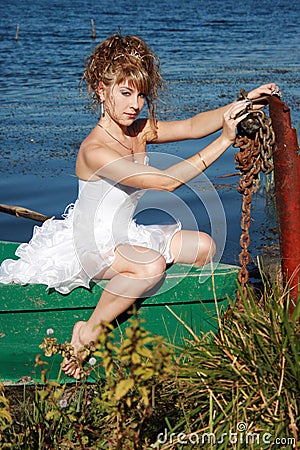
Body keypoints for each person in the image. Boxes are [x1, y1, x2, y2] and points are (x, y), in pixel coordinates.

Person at [0, 33, 280, 379]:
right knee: (149, 267)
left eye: (141, 94)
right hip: (93, 244)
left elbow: (193, 126)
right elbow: (166, 182)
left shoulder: (137, 131)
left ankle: (164, 323)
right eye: (125, 92)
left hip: (126, 234)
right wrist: (225, 139)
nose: (135, 104)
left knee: (204, 247)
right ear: (101, 91)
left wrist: (246, 102)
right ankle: (88, 331)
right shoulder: (95, 150)